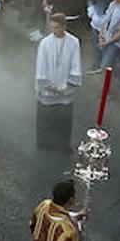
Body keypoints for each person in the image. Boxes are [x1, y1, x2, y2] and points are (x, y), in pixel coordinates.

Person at [34, 15, 82, 152]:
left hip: (65, 88)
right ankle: (43, 142)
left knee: (65, 118)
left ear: (64, 27)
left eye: (56, 27)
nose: (54, 30)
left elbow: (75, 63)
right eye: (52, 27)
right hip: (48, 89)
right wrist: (47, 85)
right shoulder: (45, 43)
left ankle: (63, 144)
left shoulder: (74, 42)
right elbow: (41, 65)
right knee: (45, 117)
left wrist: (67, 86)